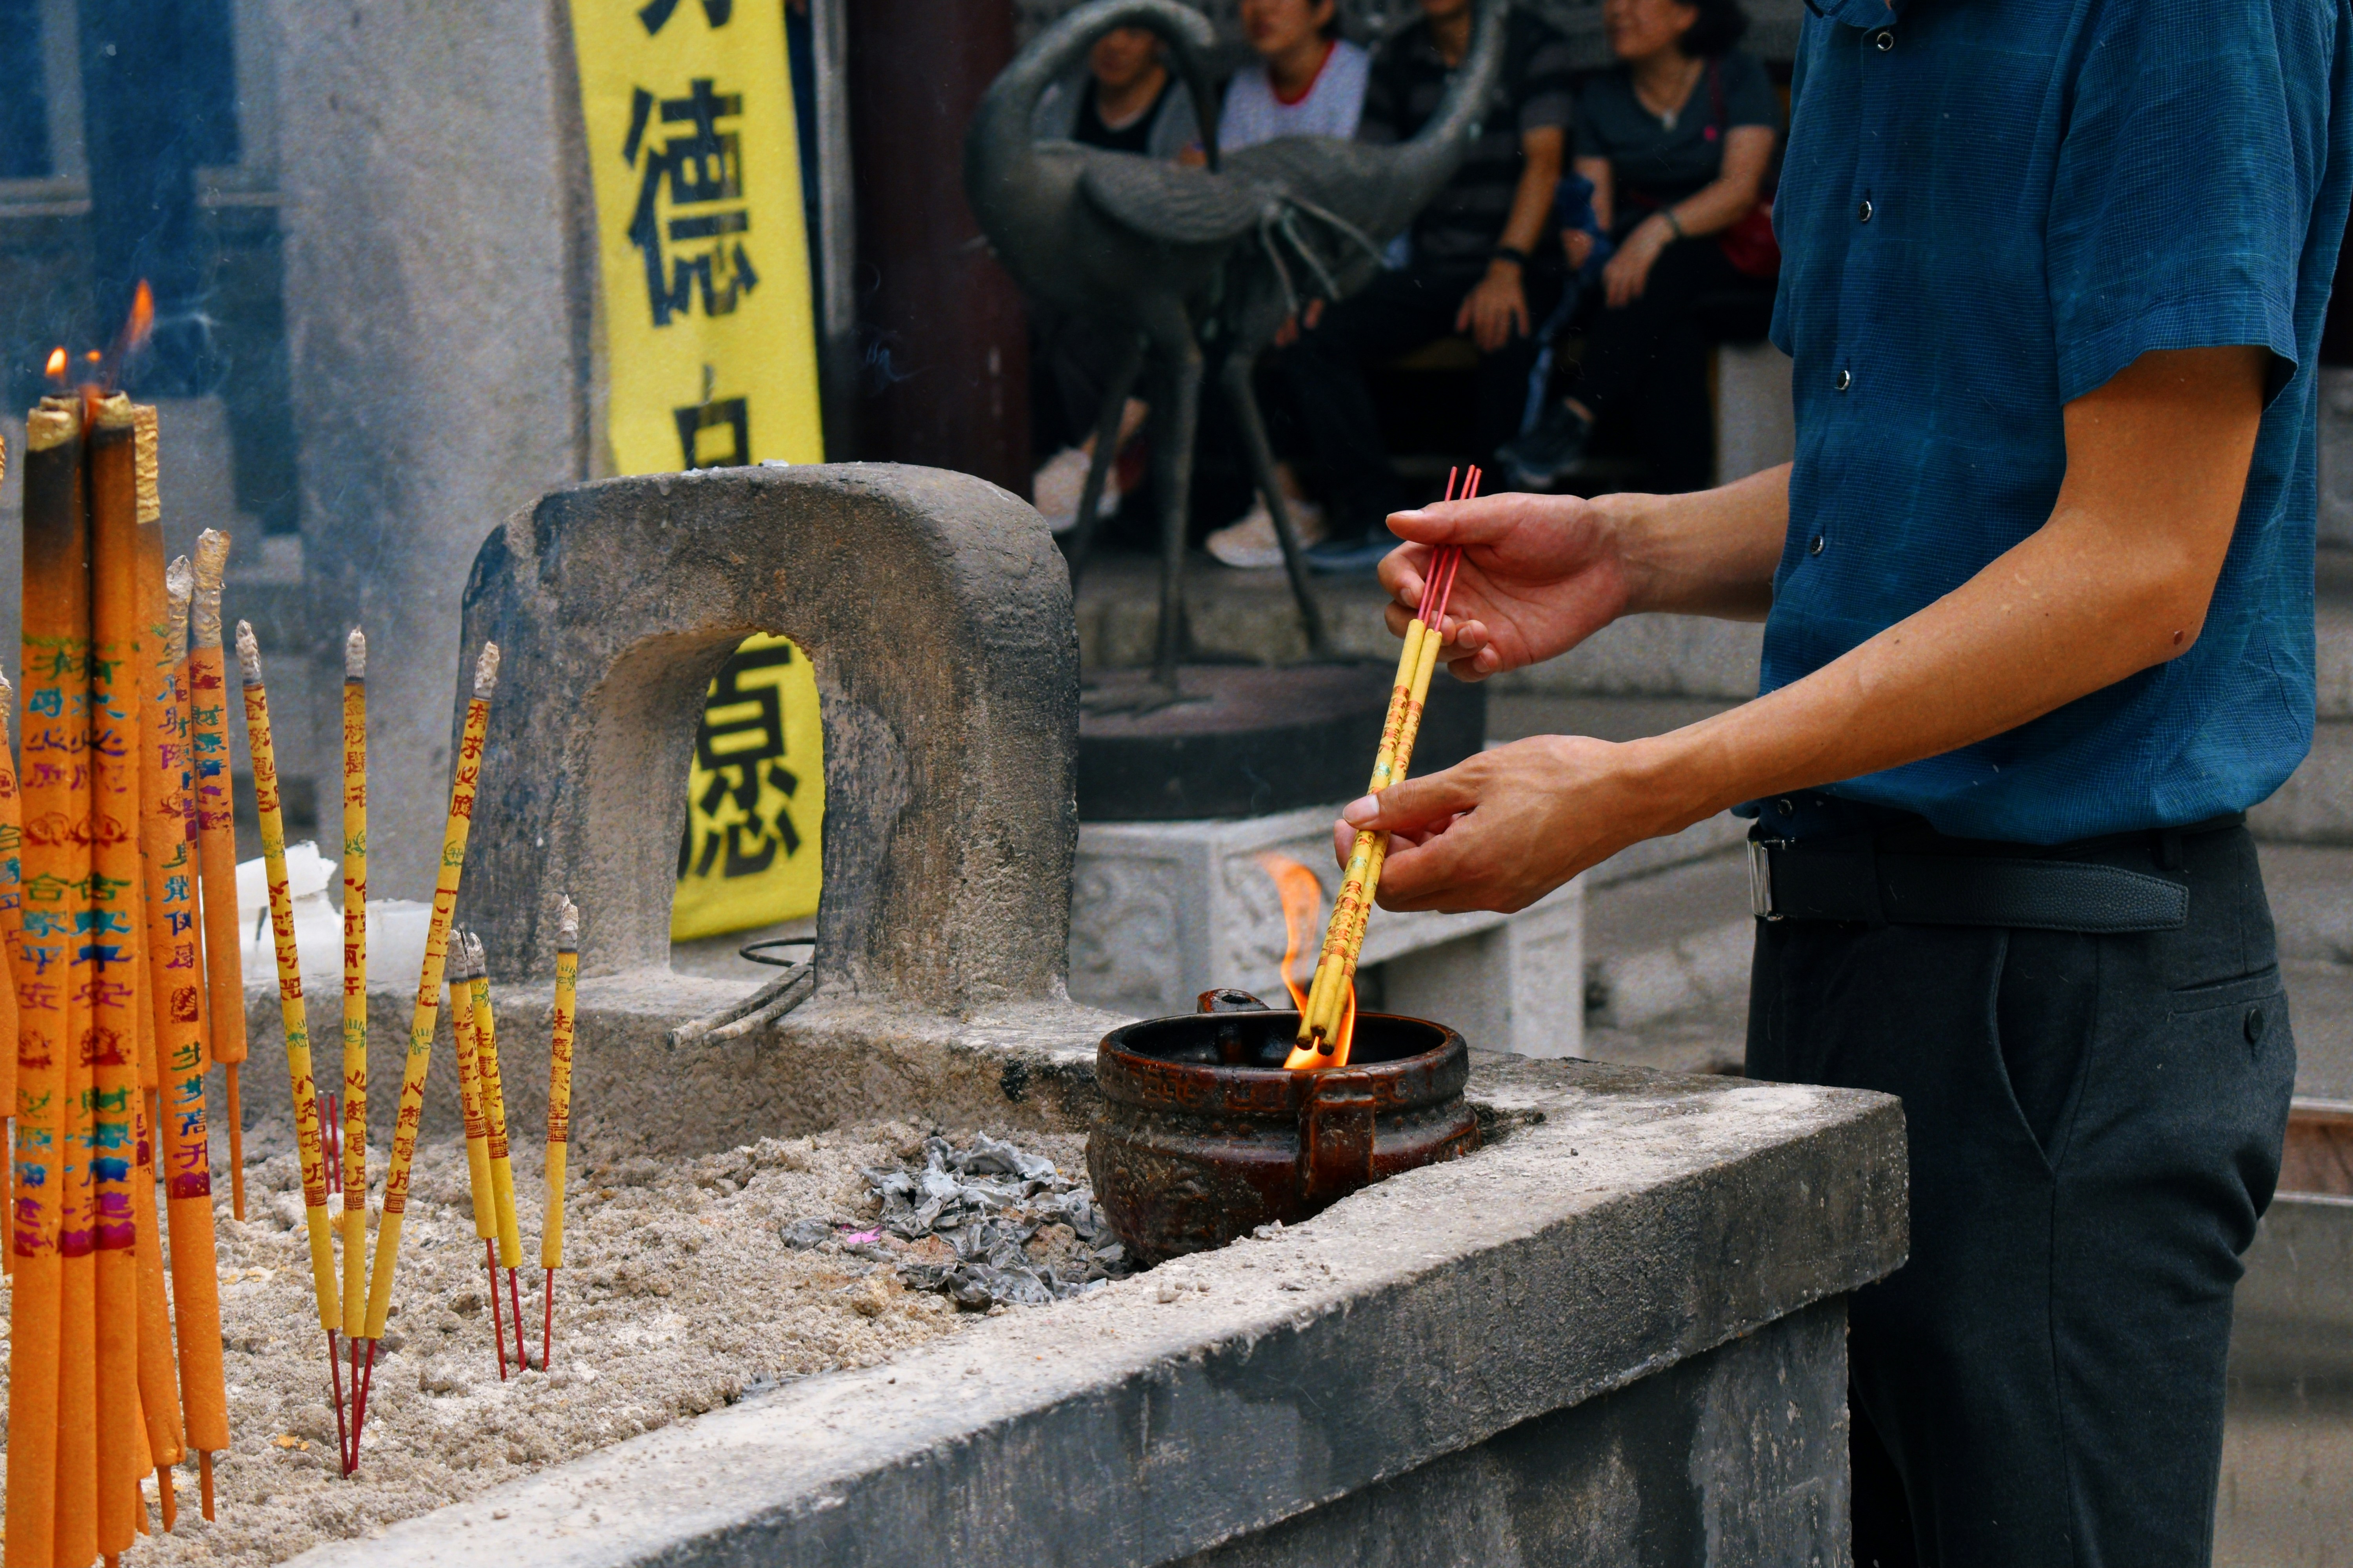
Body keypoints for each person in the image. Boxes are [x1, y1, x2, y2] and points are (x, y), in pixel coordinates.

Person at [1332, 2, 2350, 1564]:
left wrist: (1647, 784)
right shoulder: (1864, 27)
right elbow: (1936, 462)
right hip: (1835, 949)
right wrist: (1630, 547)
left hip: (2062, 991)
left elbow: (2136, 557)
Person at [1277, 0, 1577, 572]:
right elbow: (1376, 180)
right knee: (1316, 332)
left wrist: (1506, 267)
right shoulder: (1403, 54)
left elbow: (1544, 163)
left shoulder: (1534, 45)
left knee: (1507, 330)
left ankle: (1488, 532)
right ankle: (1375, 515)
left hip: (1520, 263)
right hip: (1433, 268)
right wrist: (1329, 280)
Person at [1501, 0, 1777, 494]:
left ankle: (1579, 409)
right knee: (1669, 333)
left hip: (1735, 267)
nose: (1617, 11)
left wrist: (1656, 234)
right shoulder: (1603, 97)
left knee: (1670, 269)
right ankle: (1681, 501)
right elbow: (1594, 208)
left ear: (1688, 13)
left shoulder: (1737, 75)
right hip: (1649, 291)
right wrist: (1585, 238)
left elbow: (1739, 192)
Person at [1200, 0, 1373, 569]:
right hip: (1271, 266)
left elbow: (1343, 197)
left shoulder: (1354, 73)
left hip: (1348, 262)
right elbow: (1231, 193)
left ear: (1324, 9)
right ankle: (1285, 502)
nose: (1260, 10)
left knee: (1306, 333)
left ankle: (1319, 510)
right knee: (1210, 327)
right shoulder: (1249, 84)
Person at [1029, 27, 1200, 533]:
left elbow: (1183, 201)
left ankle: (1101, 463)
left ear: (1160, 38)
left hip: (1156, 273)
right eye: (1103, 25)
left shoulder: (1185, 105)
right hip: (1073, 266)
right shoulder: (1064, 100)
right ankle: (1100, 468)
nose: (1114, 44)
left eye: (1132, 30)